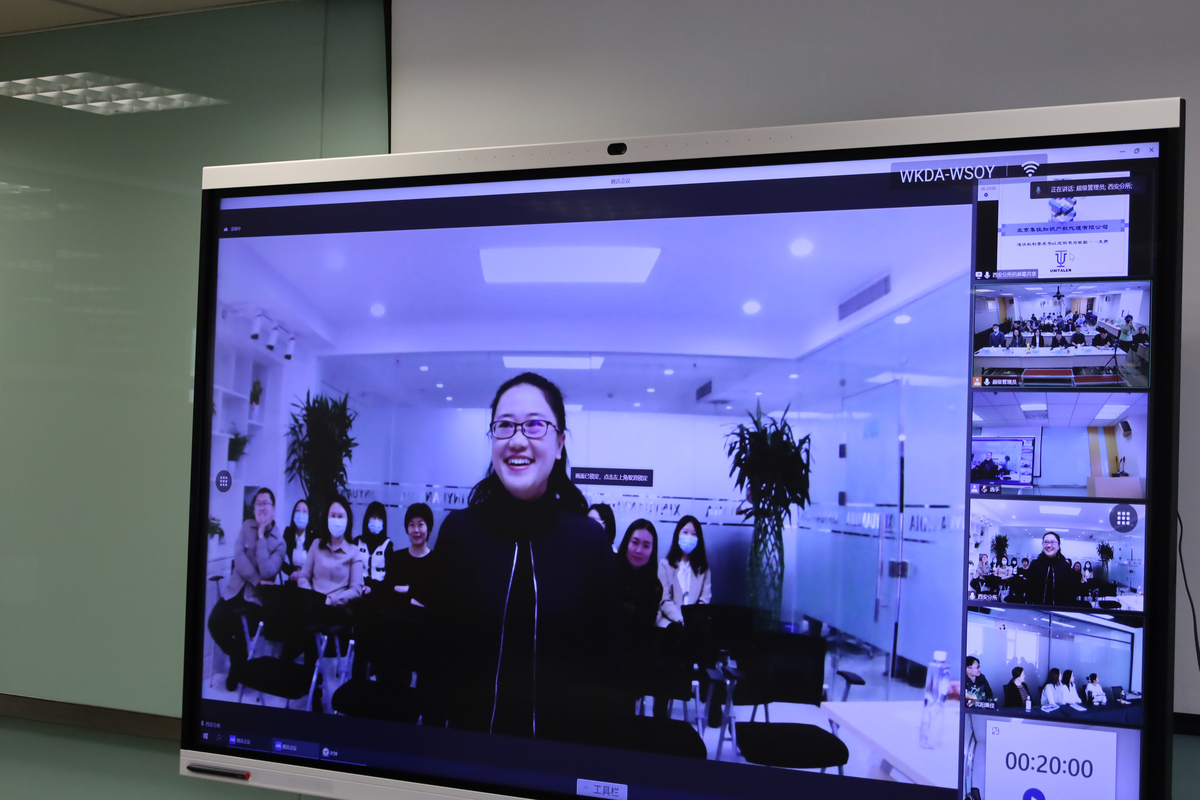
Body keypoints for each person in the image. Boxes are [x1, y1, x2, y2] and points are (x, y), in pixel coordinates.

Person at [424, 372, 620, 741]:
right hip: (467, 752)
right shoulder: (458, 533)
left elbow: (607, 671)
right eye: (504, 426)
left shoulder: (589, 543)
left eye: (534, 425)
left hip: (561, 756)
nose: (517, 440)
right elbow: (436, 656)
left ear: (559, 443)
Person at [208, 487, 285, 690]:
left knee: (240, 627)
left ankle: (236, 671)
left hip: (256, 600)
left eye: (265, 503)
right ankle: (238, 657)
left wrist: (261, 536)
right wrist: (257, 579)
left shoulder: (279, 543)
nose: (261, 508)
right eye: (258, 504)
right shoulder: (246, 526)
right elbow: (239, 558)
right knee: (214, 623)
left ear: (274, 508)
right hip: (234, 590)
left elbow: (268, 570)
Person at [297, 495, 364, 606]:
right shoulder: (316, 545)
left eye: (340, 516)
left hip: (339, 608)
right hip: (313, 606)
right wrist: (311, 597)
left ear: (347, 520)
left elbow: (356, 590)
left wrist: (331, 600)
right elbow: (303, 577)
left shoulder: (354, 552)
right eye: (332, 516)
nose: (336, 520)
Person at [657, 515, 713, 627]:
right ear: (678, 534)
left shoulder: (703, 569)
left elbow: (704, 600)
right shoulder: (664, 565)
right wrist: (681, 620)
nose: (689, 537)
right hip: (669, 623)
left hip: (694, 625)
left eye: (694, 534)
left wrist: (693, 619)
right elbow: (664, 600)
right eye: (685, 532)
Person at [388, 503, 436, 606]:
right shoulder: (396, 558)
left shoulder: (437, 561)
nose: (416, 530)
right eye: (412, 525)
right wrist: (416, 597)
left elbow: (436, 599)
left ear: (429, 528)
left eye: (420, 525)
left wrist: (408, 590)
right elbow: (390, 594)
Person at [1025, 532, 1080, 605]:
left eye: (1052, 542)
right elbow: (1029, 589)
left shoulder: (1065, 567)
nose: (1049, 545)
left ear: (1059, 546)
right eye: (1046, 542)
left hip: (1059, 609)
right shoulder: (1035, 565)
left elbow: (1070, 593)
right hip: (1037, 608)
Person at [358, 501, 394, 594]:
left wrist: (373, 589)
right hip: (358, 590)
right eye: (373, 517)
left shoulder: (387, 545)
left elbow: (390, 579)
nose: (376, 521)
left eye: (379, 518)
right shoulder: (357, 542)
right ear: (367, 519)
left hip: (380, 594)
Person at [281, 498, 313, 580]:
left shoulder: (313, 536)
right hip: (293, 580)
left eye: (304, 511)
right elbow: (279, 558)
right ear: (293, 515)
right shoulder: (288, 533)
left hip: (310, 581)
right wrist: (291, 572)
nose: (301, 514)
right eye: (297, 511)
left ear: (309, 516)